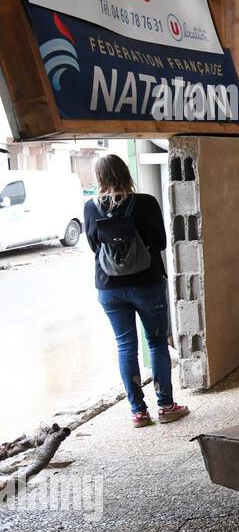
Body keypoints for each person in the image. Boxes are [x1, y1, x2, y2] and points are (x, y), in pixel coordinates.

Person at [84, 155, 189, 428]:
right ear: (125, 173)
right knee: (156, 344)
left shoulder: (91, 207)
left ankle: (138, 413)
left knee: (125, 345)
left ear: (99, 178)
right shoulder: (145, 202)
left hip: (109, 289)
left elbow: (94, 246)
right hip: (147, 285)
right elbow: (162, 243)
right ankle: (166, 406)